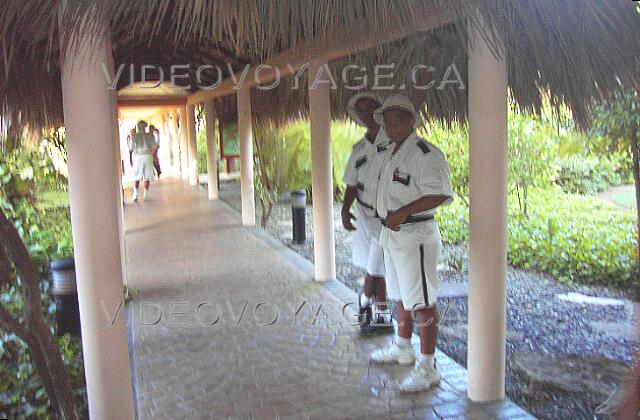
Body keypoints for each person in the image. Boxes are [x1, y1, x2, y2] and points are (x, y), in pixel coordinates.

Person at [370, 94, 454, 393]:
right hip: (393, 236)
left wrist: (404, 212)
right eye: (386, 121)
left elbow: (442, 193)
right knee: (401, 297)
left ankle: (428, 367)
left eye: (395, 120)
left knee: (424, 301)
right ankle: (403, 349)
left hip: (415, 237)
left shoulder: (425, 154)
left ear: (410, 121)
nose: (389, 126)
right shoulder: (392, 151)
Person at [341, 92, 393, 334]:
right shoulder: (359, 149)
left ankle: (364, 302)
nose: (366, 114)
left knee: (377, 263)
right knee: (376, 265)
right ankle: (382, 315)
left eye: (370, 108)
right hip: (364, 216)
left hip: (389, 216)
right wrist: (344, 209)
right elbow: (351, 183)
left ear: (379, 110)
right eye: (361, 111)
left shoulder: (394, 141)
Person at [128, 120, 158, 202]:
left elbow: (130, 147)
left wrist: (132, 135)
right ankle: (145, 194)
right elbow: (155, 146)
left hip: (138, 157)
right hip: (148, 156)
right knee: (147, 175)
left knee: (137, 175)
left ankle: (135, 194)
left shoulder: (134, 136)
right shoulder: (150, 136)